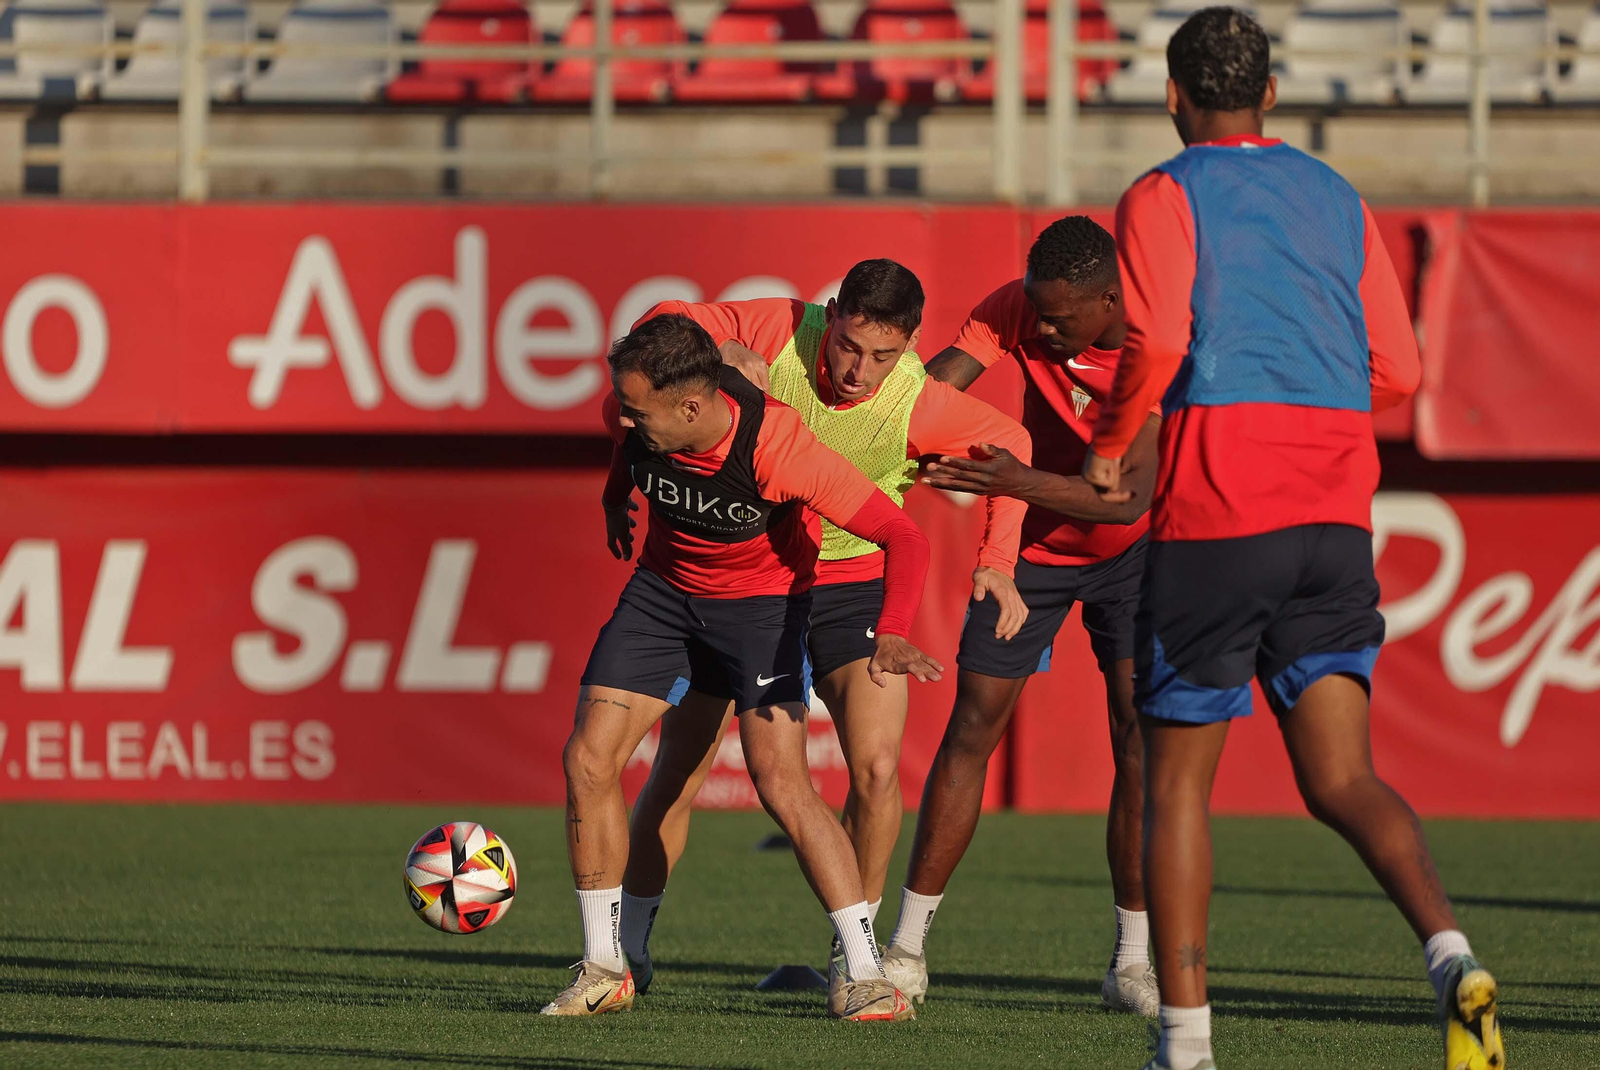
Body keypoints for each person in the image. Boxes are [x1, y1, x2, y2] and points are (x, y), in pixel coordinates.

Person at [1080, 10, 1503, 1070]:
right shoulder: (1335, 195)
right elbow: (1399, 373)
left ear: (1171, 97)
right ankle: (1451, 955)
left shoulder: (1160, 194)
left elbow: (1163, 333)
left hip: (1222, 504)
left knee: (1176, 783)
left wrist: (1110, 435)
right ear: (1270, 94)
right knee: (1341, 776)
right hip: (1333, 509)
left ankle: (1184, 1046)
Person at [616, 259, 1033, 1014]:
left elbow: (1014, 443)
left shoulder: (917, 405)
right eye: (847, 346)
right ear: (832, 314)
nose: (857, 370)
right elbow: (659, 325)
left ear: (909, 345)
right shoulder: (778, 328)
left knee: (874, 770)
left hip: (852, 587)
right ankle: (629, 949)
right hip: (756, 579)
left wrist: (998, 562)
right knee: (678, 766)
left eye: (882, 356)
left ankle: (855, 954)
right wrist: (722, 354)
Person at [544, 312, 942, 1022]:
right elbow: (622, 448)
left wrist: (896, 630)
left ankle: (865, 973)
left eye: (641, 413)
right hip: (662, 596)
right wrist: (614, 498)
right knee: (588, 759)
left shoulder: (779, 447)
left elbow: (902, 534)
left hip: (761, 611)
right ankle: (606, 967)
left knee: (780, 781)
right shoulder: (630, 412)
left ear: (692, 407)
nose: (627, 422)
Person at [878, 217, 1164, 1016]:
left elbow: (1126, 496)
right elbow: (930, 388)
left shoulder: (1160, 346)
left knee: (1138, 743)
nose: (1039, 327)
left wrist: (1011, 479)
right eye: (1033, 312)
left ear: (1109, 299)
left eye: (1058, 317)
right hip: (1031, 560)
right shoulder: (1023, 304)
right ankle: (905, 951)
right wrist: (901, 439)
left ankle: (1131, 965)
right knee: (972, 729)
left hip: (1135, 555)